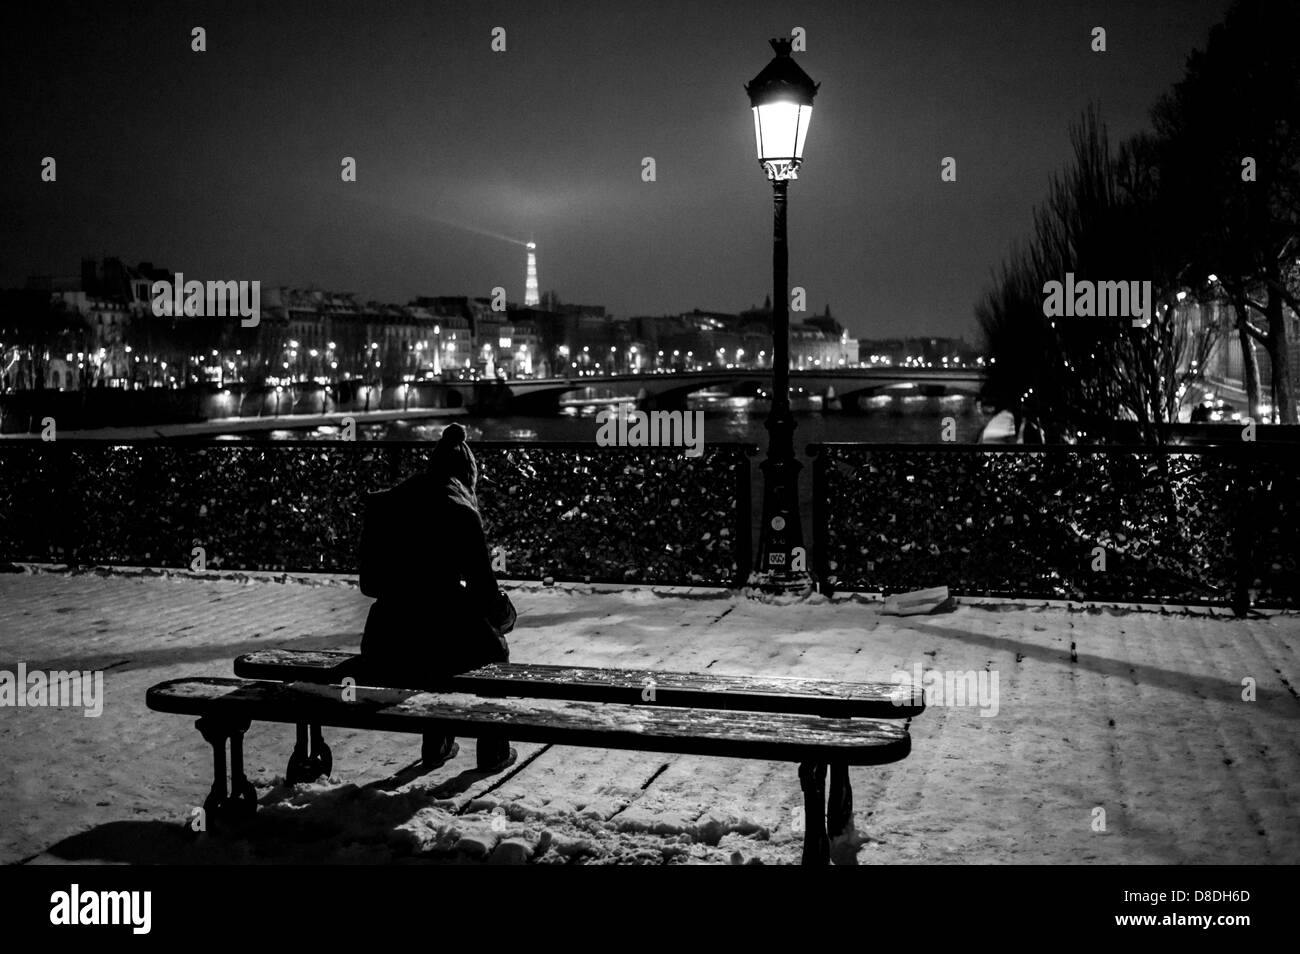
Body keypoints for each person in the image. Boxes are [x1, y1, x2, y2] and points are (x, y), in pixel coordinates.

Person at [359, 422, 516, 773]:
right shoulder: (460, 509)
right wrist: (502, 612)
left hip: (386, 642)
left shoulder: (387, 504)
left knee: (436, 646)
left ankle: (437, 742)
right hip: (441, 639)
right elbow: (483, 591)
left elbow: (369, 584)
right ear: (468, 473)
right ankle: (493, 749)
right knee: (491, 650)